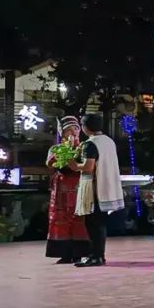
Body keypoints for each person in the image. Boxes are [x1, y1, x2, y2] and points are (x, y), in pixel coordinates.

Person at [69, 113, 125, 267]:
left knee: (93, 224)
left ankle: (96, 256)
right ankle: (98, 255)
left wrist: (74, 165)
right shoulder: (109, 141)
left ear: (86, 127)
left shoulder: (90, 144)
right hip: (108, 186)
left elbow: (88, 167)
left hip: (95, 189)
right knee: (99, 224)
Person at [44, 116, 90, 263]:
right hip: (61, 190)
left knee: (79, 219)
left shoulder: (84, 147)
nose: (73, 132)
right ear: (62, 133)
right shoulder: (56, 148)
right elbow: (50, 163)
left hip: (79, 187)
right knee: (60, 219)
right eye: (68, 129)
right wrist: (65, 152)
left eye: (75, 128)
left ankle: (79, 253)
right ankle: (64, 253)